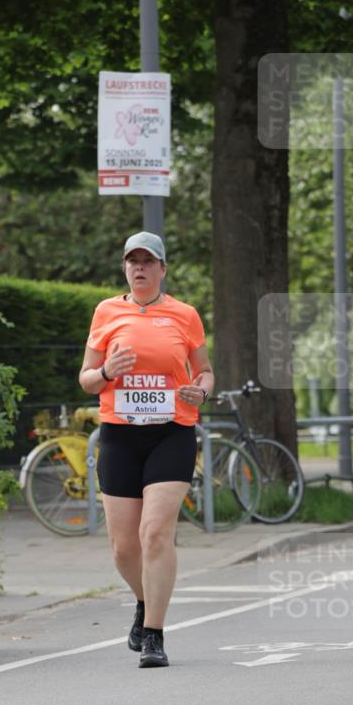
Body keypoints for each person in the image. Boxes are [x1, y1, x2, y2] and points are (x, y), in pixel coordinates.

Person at [79, 232, 214, 667]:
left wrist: (201, 392)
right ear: (124, 268)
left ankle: (154, 633)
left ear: (162, 269)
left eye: (148, 260)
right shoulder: (106, 312)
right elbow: (85, 379)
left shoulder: (185, 315)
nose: (139, 267)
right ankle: (143, 600)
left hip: (171, 432)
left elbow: (206, 371)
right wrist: (105, 370)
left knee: (154, 533)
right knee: (123, 548)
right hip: (119, 434)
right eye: (132, 260)